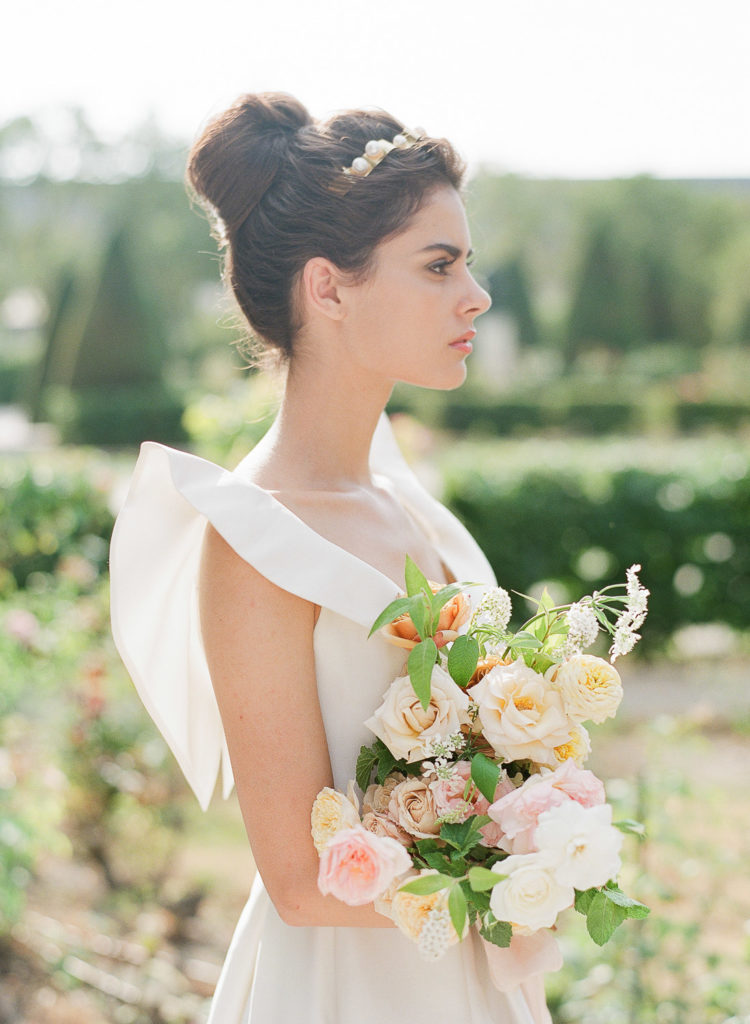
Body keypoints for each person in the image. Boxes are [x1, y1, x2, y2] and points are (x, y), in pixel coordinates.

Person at [110, 92, 553, 1023]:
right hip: (345, 989)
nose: (475, 295)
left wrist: (550, 827)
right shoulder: (255, 540)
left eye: (467, 263)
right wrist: (515, 882)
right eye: (439, 265)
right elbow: (300, 880)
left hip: (471, 979)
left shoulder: (405, 502)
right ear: (329, 289)